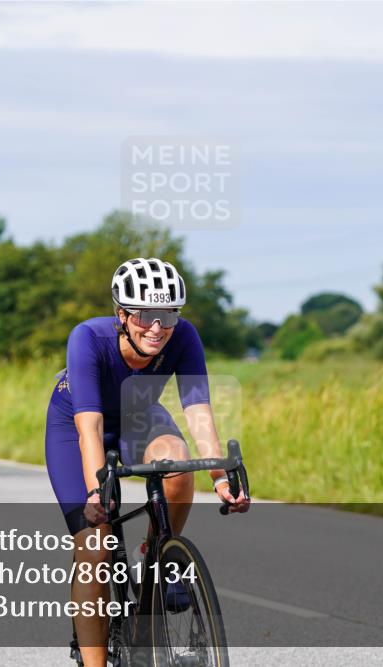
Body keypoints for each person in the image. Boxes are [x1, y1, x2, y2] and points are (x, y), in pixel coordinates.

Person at [44, 257, 250, 667]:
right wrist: (94, 492)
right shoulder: (87, 337)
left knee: (178, 463)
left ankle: (155, 558)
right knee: (96, 547)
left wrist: (219, 475)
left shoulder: (184, 336)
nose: (157, 327)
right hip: (79, 425)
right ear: (122, 314)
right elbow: (90, 426)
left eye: (168, 314)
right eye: (144, 315)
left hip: (139, 417)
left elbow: (198, 412)